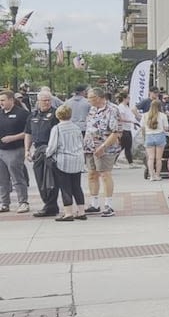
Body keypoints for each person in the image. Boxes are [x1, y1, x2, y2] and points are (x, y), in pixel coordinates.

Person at [82, 88, 122, 217]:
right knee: (92, 174)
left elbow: (115, 132)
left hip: (106, 147)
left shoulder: (112, 110)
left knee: (105, 174)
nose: (88, 100)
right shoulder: (92, 109)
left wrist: (103, 146)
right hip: (90, 147)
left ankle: (108, 205)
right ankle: (94, 203)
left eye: (90, 98)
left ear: (98, 97)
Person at [46, 105, 86, 222]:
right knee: (77, 186)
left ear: (58, 115)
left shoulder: (57, 128)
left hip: (63, 161)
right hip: (77, 160)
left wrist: (47, 154)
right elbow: (81, 142)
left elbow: (52, 146)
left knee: (65, 187)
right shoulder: (76, 128)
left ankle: (68, 212)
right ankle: (81, 211)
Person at [25, 91, 59, 217]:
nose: (46, 102)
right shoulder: (32, 115)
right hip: (38, 150)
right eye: (44, 100)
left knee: (50, 180)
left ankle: (51, 205)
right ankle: (47, 203)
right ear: (38, 101)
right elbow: (28, 133)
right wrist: (27, 150)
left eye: (48, 100)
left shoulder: (56, 114)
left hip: (50, 150)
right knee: (40, 179)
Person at [0, 90, 31, 214]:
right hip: (1, 150)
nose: (1, 103)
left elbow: (29, 132)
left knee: (17, 177)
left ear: (11, 100)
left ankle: (23, 202)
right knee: (2, 179)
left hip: (15, 149)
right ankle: (4, 203)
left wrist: (13, 137)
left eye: (3, 100)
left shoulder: (22, 114)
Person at [141, 100, 169, 182]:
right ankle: (157, 175)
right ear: (160, 107)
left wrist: (144, 137)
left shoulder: (145, 115)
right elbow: (166, 128)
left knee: (150, 158)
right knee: (158, 158)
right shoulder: (163, 116)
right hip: (160, 136)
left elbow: (142, 128)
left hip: (149, 136)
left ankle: (151, 176)